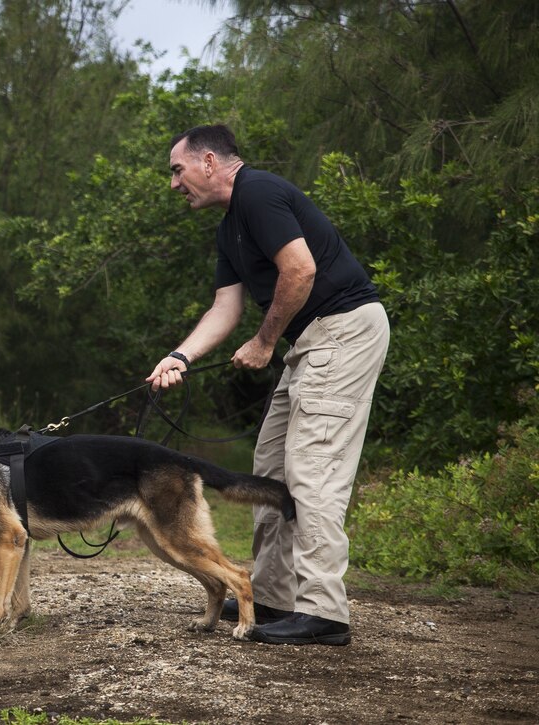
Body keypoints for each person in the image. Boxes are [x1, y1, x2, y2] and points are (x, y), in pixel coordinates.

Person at [146, 124, 389, 646]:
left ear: (209, 162)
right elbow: (224, 307)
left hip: (343, 330)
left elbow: (299, 271)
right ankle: (275, 598)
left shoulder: (258, 192)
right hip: (308, 342)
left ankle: (324, 612)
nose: (173, 184)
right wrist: (179, 356)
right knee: (270, 469)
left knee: (311, 468)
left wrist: (263, 341)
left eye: (177, 170)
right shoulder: (227, 228)